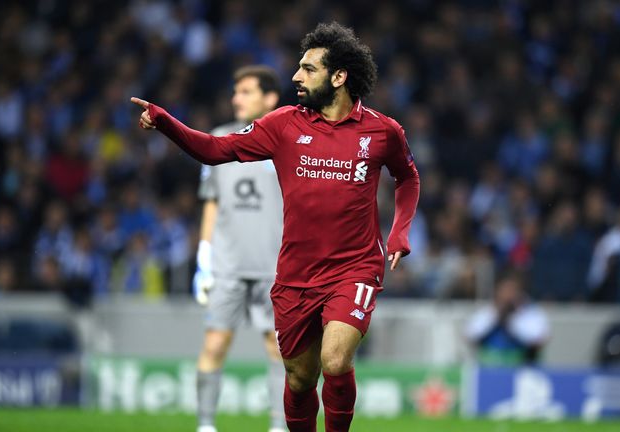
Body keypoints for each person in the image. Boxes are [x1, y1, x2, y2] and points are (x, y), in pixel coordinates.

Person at [132, 22, 420, 432]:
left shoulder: (382, 131)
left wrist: (400, 231)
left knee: (335, 361)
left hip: (354, 268)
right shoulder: (283, 125)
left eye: (308, 69)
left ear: (339, 77)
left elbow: (408, 177)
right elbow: (215, 150)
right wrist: (164, 122)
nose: (296, 77)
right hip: (296, 274)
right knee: (300, 379)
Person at [193, 65, 286, 432]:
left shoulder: (289, 141)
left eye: (246, 91)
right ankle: (205, 426)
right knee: (215, 343)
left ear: (270, 98)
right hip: (228, 265)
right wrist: (204, 257)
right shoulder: (217, 138)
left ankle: (280, 426)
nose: (237, 98)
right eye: (236, 91)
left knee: (281, 350)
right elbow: (211, 202)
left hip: (275, 267)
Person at [464, 271, 550, 365]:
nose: (508, 295)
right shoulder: (488, 312)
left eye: (512, 290)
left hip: (522, 366)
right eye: (504, 290)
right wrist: (497, 315)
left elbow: (538, 340)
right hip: (490, 367)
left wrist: (511, 320)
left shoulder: (531, 313)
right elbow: (470, 335)